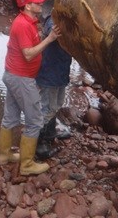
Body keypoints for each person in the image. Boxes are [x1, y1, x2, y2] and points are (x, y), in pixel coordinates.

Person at [0, 0, 61, 175]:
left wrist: (42, 37)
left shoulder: (29, 22)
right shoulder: (23, 25)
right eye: (38, 3)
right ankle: (26, 165)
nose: (41, 5)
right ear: (27, 5)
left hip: (12, 75)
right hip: (21, 79)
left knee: (10, 116)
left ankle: (4, 155)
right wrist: (49, 39)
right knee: (34, 121)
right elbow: (28, 54)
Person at [35, 12, 72, 160]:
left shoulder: (65, 20)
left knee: (56, 104)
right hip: (49, 74)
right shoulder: (53, 20)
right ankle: (38, 142)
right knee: (46, 108)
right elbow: (55, 34)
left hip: (60, 73)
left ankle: (50, 133)